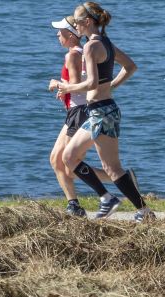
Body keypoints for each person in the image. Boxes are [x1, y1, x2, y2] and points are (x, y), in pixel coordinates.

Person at [55, 2, 154, 221]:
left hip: (102, 112)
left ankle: (144, 212)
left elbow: (90, 82)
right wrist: (111, 86)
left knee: (112, 168)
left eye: (77, 22)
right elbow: (130, 66)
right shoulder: (106, 43)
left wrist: (67, 87)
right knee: (69, 156)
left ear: (87, 22)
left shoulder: (91, 46)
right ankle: (107, 198)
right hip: (99, 110)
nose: (75, 27)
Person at [47, 15, 118, 218]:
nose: (57, 35)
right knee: (61, 161)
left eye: (60, 32)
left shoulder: (73, 55)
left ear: (70, 35)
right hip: (76, 111)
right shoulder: (79, 52)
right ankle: (75, 203)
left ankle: (115, 182)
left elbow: (78, 88)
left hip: (78, 111)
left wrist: (58, 85)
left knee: (66, 163)